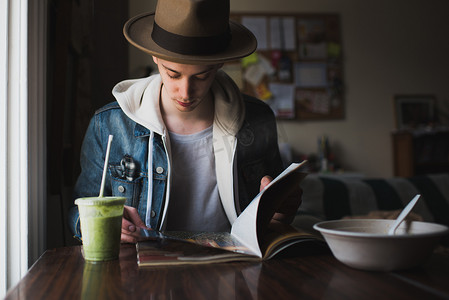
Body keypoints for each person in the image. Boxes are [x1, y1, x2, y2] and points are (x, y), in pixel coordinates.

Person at [68, 0, 302, 243]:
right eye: (173, 74)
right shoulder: (110, 124)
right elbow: (78, 211)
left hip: (235, 271)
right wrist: (100, 222)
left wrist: (281, 211)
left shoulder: (256, 119)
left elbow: (275, 213)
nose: (185, 92)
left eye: (202, 76)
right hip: (143, 274)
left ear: (219, 64)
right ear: (154, 57)